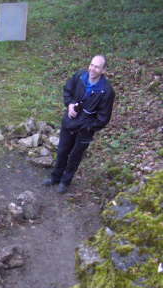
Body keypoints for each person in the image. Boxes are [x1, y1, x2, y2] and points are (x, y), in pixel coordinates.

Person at [43, 55, 115, 193]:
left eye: (97, 67)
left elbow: (103, 118)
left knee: (75, 156)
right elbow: (67, 90)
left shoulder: (107, 91)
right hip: (69, 121)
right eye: (92, 65)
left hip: (85, 130)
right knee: (62, 151)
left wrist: (87, 127)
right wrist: (69, 104)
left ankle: (65, 182)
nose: (93, 69)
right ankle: (55, 177)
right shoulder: (80, 76)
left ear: (104, 70)